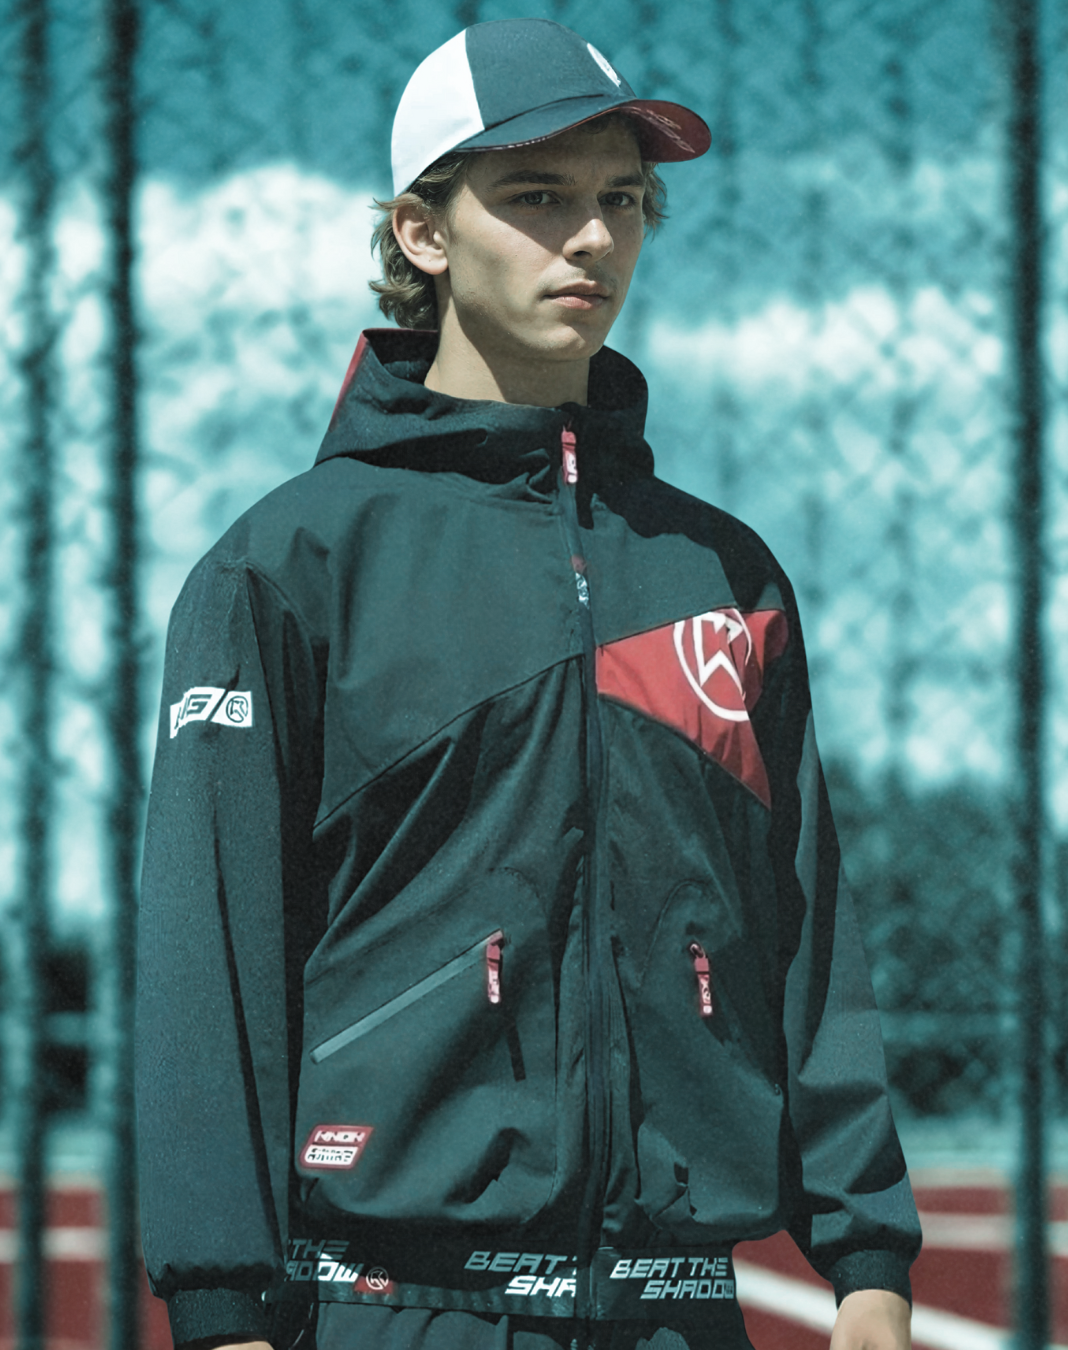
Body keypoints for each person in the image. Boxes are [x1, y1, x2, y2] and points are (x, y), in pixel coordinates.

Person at [136, 17, 921, 1350]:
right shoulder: (294, 560)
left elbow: (803, 930)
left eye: (623, 200)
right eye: (538, 197)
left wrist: (870, 1266)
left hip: (681, 1311)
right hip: (394, 1305)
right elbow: (212, 945)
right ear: (423, 234)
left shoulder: (722, 573)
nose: (594, 239)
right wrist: (221, 1306)